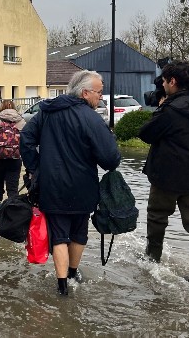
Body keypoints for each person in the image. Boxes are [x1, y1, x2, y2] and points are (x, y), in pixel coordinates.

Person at [20, 70, 120, 296]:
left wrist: (36, 168)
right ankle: (73, 274)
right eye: (99, 93)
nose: (100, 97)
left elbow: (25, 138)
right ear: (85, 93)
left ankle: (62, 286)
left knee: (59, 235)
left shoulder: (46, 112)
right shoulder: (92, 118)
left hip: (51, 187)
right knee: (79, 232)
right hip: (83, 187)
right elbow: (111, 159)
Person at [139, 61, 189, 285]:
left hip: (167, 178)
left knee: (157, 217)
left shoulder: (171, 110)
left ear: (173, 81)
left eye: (163, 81)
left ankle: (152, 260)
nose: (162, 86)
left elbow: (146, 134)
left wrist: (162, 107)